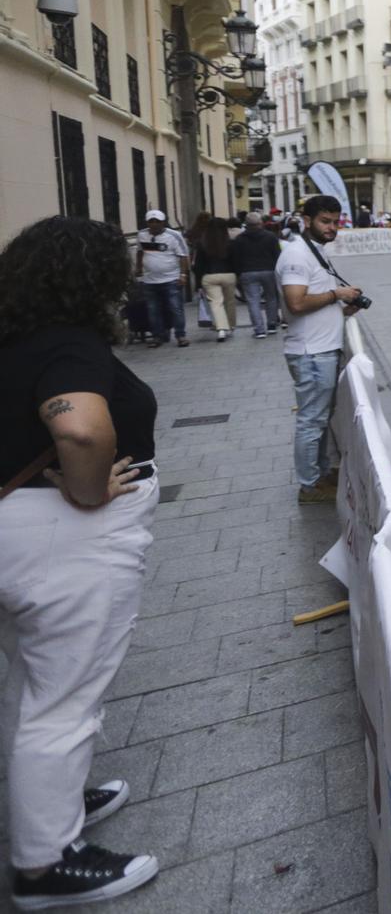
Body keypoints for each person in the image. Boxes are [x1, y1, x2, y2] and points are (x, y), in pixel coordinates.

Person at [0, 216, 163, 908]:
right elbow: (80, 426)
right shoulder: (70, 346)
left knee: (26, 681)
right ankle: (43, 862)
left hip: (19, 529)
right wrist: (88, 489)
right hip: (62, 538)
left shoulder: (14, 337)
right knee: (65, 696)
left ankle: (47, 800)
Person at [277, 196, 364, 505]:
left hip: (322, 348)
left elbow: (315, 303)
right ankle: (309, 484)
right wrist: (336, 294)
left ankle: (321, 473)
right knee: (311, 420)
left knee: (320, 418)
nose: (331, 228)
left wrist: (343, 310)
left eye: (335, 222)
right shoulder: (297, 256)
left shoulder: (316, 253)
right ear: (307, 219)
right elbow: (296, 303)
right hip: (311, 353)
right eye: (325, 222)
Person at [132, 211, 188, 350]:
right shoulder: (142, 235)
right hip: (149, 280)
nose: (154, 224)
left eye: (157, 221)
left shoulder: (174, 235)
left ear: (163, 222)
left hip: (171, 278)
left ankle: (180, 335)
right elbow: (140, 251)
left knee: (175, 308)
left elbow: (183, 255)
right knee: (153, 309)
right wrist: (138, 268)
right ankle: (157, 335)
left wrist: (183, 275)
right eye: (151, 221)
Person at [229, 212, 284, 339]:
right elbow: (278, 255)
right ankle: (271, 325)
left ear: (246, 225)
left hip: (248, 272)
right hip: (269, 270)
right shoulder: (270, 237)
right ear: (261, 223)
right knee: (271, 298)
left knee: (253, 301)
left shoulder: (240, 239)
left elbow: (235, 258)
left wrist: (238, 273)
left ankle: (259, 330)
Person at [190, 216, 237, 343]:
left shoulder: (202, 244)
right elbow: (236, 261)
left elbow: (198, 265)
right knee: (229, 301)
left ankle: (221, 329)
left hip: (209, 276)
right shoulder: (230, 243)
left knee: (216, 303)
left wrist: (199, 282)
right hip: (228, 275)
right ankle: (231, 326)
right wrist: (237, 274)